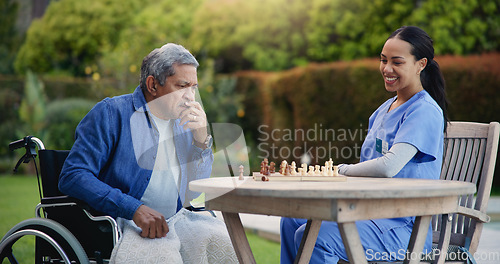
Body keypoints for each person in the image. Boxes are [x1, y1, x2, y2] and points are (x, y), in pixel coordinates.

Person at [280, 26, 448, 263]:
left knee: (317, 237)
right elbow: (368, 168)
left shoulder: (424, 111)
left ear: (421, 64)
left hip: (404, 230)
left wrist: (340, 170)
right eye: (383, 60)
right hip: (368, 215)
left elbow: (388, 166)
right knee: (291, 220)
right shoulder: (382, 111)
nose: (387, 69)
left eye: (397, 62)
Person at [59, 43, 237, 263]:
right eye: (183, 86)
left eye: (194, 87)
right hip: (126, 224)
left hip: (178, 221)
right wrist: (133, 209)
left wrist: (202, 140)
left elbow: (195, 193)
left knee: (227, 245)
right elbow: (73, 175)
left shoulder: (185, 124)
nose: (191, 97)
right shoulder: (111, 113)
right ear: (153, 85)